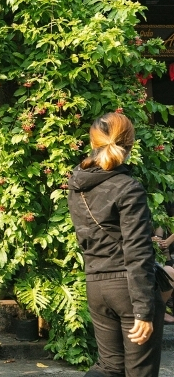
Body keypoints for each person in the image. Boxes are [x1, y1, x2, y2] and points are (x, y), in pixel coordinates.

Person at [67, 112, 165, 377]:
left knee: (109, 367)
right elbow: (138, 251)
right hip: (128, 289)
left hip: (96, 284)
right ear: (130, 143)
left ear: (93, 142)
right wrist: (144, 309)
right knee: (139, 371)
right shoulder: (127, 188)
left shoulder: (77, 186)